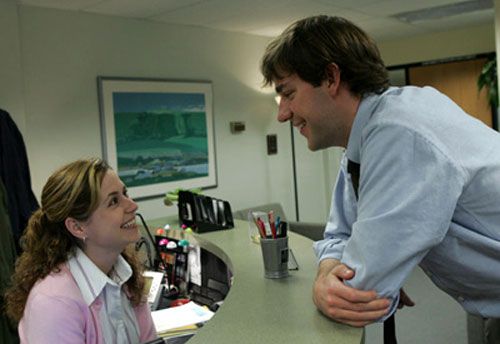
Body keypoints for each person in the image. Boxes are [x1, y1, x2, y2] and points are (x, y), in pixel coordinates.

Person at [260, 15, 500, 343]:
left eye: (288, 93)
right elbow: (337, 235)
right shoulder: (367, 140)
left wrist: (323, 289)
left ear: (330, 78)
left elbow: (363, 290)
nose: (282, 113)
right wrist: (329, 270)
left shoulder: (399, 134)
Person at [5, 158, 158, 343]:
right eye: (114, 201)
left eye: (125, 193)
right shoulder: (54, 302)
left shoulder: (125, 275)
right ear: (77, 227)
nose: (132, 205)